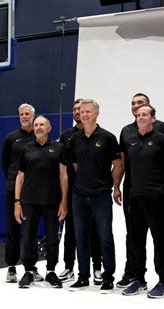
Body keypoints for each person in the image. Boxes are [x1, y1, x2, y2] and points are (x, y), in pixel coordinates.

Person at [117, 93, 164, 288]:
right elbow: (124, 164)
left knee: (160, 237)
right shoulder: (128, 135)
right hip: (134, 195)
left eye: (142, 108)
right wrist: (118, 186)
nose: (138, 112)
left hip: (156, 195)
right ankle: (135, 276)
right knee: (134, 237)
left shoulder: (161, 134)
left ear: (151, 114)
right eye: (134, 106)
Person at [68, 99, 123, 294]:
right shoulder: (75, 139)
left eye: (88, 111)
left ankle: (108, 278)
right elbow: (75, 165)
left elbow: (118, 164)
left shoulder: (107, 137)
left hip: (101, 195)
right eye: (82, 112)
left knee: (105, 236)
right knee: (81, 238)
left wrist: (112, 184)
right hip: (79, 196)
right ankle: (83, 277)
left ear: (96, 114)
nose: (84, 114)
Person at [14, 115, 68, 288]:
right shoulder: (26, 149)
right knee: (28, 237)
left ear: (49, 128)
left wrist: (64, 201)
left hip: (52, 200)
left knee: (52, 237)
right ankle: (28, 271)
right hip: (29, 200)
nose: (38, 127)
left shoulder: (59, 147)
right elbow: (20, 176)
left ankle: (51, 271)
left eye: (42, 124)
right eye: (36, 125)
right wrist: (17, 201)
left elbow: (63, 175)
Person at [58, 99, 103, 285]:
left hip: (92, 189)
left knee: (95, 230)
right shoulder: (66, 136)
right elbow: (63, 167)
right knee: (71, 231)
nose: (78, 112)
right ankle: (69, 267)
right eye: (75, 109)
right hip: (72, 190)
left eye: (81, 109)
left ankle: (97, 268)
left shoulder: (97, 134)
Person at [0, 103, 43, 283]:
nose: (24, 117)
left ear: (33, 116)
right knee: (12, 228)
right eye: (22, 114)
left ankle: (31, 266)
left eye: (27, 114)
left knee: (31, 229)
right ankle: (11, 267)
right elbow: (5, 163)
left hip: (33, 190)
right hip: (13, 188)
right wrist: (14, 180)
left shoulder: (39, 137)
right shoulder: (11, 138)